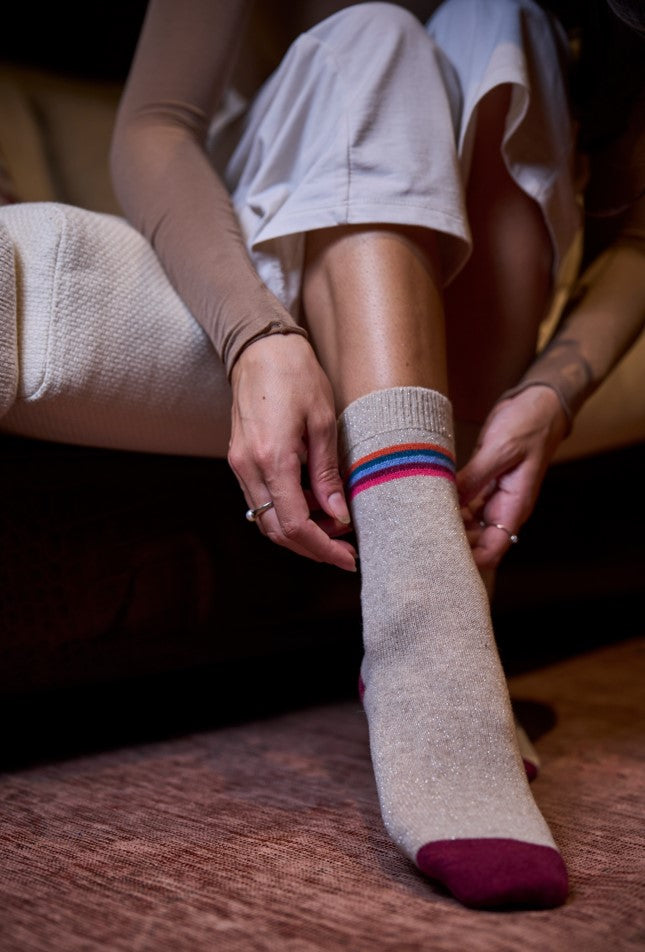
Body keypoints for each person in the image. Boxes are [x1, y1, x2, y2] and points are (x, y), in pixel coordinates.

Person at [110, 0, 645, 910]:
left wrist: (554, 391)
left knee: (500, 19)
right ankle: (431, 643)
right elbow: (153, 126)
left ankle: (432, 635)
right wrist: (252, 337)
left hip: (479, 273)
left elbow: (636, 230)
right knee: (375, 35)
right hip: (278, 212)